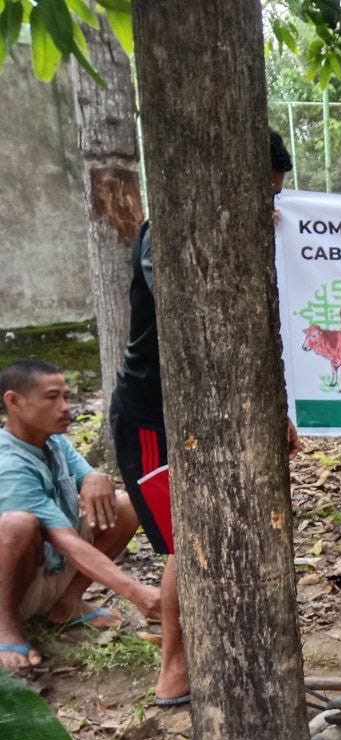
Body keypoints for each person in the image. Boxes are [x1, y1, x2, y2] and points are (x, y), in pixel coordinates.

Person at [108, 129, 298, 706]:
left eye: (273, 199)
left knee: (221, 532)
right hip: (151, 417)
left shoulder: (247, 240)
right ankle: (174, 670)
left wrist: (276, 408)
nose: (267, 210)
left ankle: (218, 648)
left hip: (215, 415)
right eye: (260, 197)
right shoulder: (164, 232)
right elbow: (190, 297)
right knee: (181, 542)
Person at [0, 360, 162, 672]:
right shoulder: (9, 464)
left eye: (65, 396)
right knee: (18, 524)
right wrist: (136, 592)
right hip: (14, 579)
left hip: (47, 569)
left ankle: (65, 606)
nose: (65, 407)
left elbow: (90, 478)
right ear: (14, 401)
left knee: (125, 505)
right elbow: (65, 541)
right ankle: (5, 626)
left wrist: (94, 476)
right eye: (52, 397)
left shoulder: (52, 439)